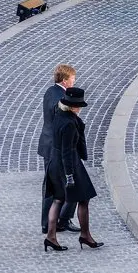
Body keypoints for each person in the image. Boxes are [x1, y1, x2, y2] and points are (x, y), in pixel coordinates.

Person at [44, 87, 103, 252]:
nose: (80, 108)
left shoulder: (59, 115)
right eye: (79, 106)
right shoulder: (70, 123)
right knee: (84, 199)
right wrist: (70, 175)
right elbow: (67, 152)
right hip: (68, 166)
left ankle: (51, 237)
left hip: (54, 164)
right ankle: (85, 235)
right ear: (73, 106)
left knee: (58, 199)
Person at [39, 65, 80, 234]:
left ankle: (50, 222)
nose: (74, 81)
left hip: (48, 145)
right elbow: (61, 123)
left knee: (53, 185)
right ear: (65, 80)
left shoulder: (50, 91)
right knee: (71, 184)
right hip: (57, 148)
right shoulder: (62, 98)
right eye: (72, 79)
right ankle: (60, 221)